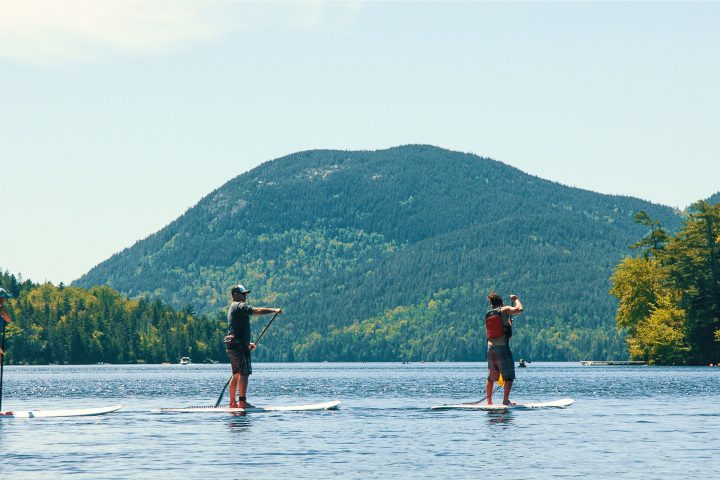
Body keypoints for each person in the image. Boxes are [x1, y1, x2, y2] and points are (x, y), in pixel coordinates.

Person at [225, 284, 281, 409]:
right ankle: (242, 402)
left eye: (245, 294)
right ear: (234, 294)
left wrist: (246, 343)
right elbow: (255, 311)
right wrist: (273, 311)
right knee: (244, 373)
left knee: (236, 373)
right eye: (242, 293)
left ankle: (232, 403)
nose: (245, 296)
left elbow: (234, 329)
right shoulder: (239, 306)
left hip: (233, 343)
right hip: (238, 344)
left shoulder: (232, 308)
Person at [485, 291, 523, 405]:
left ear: (491, 304)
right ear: (501, 303)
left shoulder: (489, 314)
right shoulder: (504, 309)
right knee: (509, 376)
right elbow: (519, 309)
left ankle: (489, 402)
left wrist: (508, 324)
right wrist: (515, 299)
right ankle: (505, 400)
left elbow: (498, 330)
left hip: (490, 348)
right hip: (502, 348)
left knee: (492, 376)